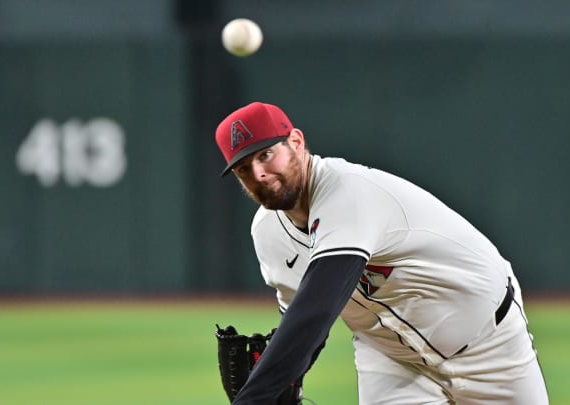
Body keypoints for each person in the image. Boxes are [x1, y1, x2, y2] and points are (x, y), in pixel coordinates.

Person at [215, 101, 549, 405]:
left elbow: (317, 308)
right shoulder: (267, 232)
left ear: (297, 143)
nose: (258, 173)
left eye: (266, 155)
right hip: (391, 360)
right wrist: (283, 380)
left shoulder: (346, 191)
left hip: (488, 344)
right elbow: (299, 324)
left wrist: (254, 397)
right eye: (244, 168)